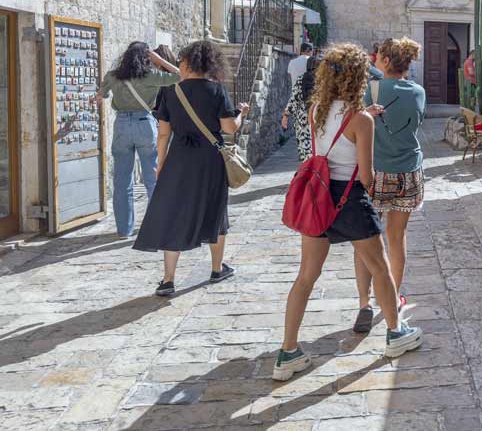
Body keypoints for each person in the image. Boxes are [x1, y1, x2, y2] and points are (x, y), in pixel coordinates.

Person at [274, 44, 421, 380]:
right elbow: (366, 176)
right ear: (358, 76)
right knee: (380, 268)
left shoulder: (315, 110)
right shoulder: (363, 120)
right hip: (349, 197)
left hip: (319, 196)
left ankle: (288, 352)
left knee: (306, 276)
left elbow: (332, 138)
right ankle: (396, 334)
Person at [133, 40, 248, 295]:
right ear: (210, 64)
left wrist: (160, 165)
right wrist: (241, 113)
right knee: (215, 210)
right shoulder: (217, 91)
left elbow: (163, 134)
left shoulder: (171, 92)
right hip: (210, 160)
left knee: (173, 212)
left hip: (179, 159)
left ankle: (168, 279)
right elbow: (229, 128)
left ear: (185, 63)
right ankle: (217, 269)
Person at [355, 37, 426, 324]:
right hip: (409, 171)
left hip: (374, 172)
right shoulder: (419, 91)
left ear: (385, 61)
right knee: (397, 238)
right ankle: (394, 296)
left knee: (365, 241)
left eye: (378, 56)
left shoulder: (370, 91)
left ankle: (364, 303)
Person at [95, 42, 180, 238]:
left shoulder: (114, 76)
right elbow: (182, 76)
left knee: (122, 180)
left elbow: (102, 94)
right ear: (146, 57)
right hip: (144, 124)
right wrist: (159, 60)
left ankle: (124, 230)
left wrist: (100, 96)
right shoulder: (151, 76)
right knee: (152, 177)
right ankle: (156, 227)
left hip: (122, 126)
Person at [282, 56, 321, 161]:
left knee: (306, 153)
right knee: (319, 151)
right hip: (319, 118)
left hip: (302, 122)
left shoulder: (300, 79)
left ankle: (307, 171)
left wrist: (285, 116)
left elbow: (293, 101)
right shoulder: (324, 82)